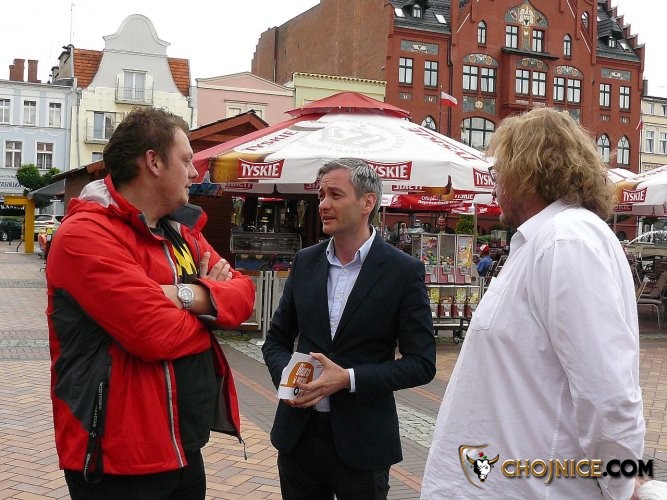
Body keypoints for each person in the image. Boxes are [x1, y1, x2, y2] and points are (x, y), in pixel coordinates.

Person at [421, 108, 645, 499]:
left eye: (498, 171)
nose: (494, 185)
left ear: (527, 171)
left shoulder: (566, 241)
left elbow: (607, 392)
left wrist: (621, 487)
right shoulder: (543, 240)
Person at [46, 107, 255, 499]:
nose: (195, 173)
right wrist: (210, 308)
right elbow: (154, 335)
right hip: (116, 457)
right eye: (187, 160)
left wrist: (183, 294)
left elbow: (244, 295)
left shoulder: (179, 232)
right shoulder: (84, 235)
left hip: (183, 445)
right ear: (154, 162)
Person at [262, 157, 436, 499]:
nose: (323, 205)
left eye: (335, 195)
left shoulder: (402, 271)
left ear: (367, 202)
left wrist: (348, 378)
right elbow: (276, 341)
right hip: (298, 438)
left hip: (363, 441)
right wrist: (291, 380)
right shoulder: (305, 261)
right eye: (321, 195)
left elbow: (422, 363)